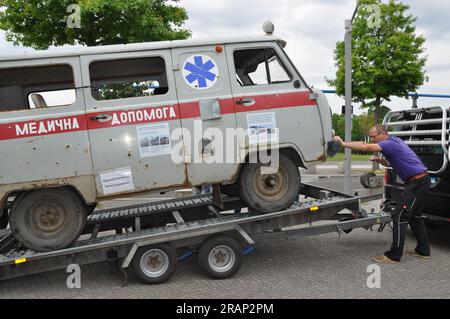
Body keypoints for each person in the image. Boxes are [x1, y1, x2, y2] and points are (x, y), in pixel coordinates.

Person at [334, 124, 431, 264]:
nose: (372, 140)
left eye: (374, 137)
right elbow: (392, 162)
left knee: (399, 216)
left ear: (383, 134)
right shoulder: (395, 142)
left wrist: (343, 143)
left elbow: (365, 147)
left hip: (417, 182)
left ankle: (393, 256)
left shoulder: (389, 144)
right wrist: (380, 161)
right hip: (421, 180)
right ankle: (423, 250)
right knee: (415, 216)